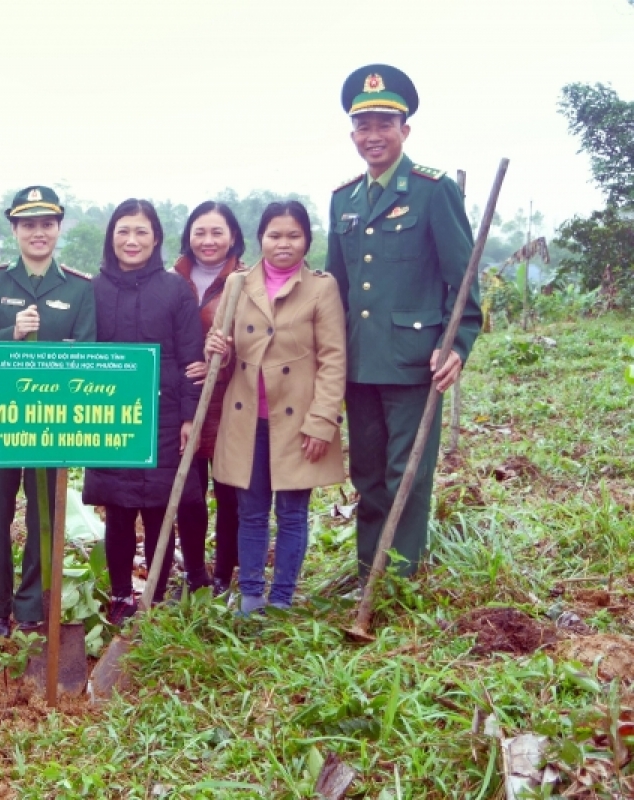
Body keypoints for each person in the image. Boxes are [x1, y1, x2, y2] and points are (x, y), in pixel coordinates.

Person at [325, 64, 481, 580]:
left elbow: (463, 282)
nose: (374, 136)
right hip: (359, 362)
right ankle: (369, 566)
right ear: (353, 136)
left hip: (416, 362)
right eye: (364, 127)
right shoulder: (342, 199)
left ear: (405, 130)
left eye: (384, 124)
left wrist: (456, 345)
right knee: (367, 473)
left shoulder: (433, 191)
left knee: (406, 475)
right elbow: (337, 288)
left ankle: (399, 575)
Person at [205, 202, 347, 613]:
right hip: (245, 418)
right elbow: (221, 350)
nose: (283, 244)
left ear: (306, 240)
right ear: (260, 238)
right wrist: (216, 347)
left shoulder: (321, 288)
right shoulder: (237, 284)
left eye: (293, 236)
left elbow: (333, 359)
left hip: (298, 420)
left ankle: (282, 596)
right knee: (250, 512)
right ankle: (251, 595)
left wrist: (322, 422)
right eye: (274, 235)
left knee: (291, 512)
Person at [0, 186, 97, 637]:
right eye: (28, 225)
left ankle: (32, 606)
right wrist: (12, 333)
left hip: (51, 422)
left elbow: (87, 351)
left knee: (44, 515)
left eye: (47, 224)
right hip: (0, 418)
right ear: (15, 230)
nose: (38, 233)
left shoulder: (80, 288)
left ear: (59, 228)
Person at [82, 199, 204, 625]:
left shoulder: (175, 290)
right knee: (118, 511)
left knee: (158, 511)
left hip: (163, 417)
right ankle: (119, 595)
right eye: (123, 231)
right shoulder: (92, 290)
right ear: (111, 237)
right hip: (111, 420)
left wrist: (189, 416)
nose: (131, 241)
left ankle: (153, 592)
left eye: (141, 232)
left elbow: (192, 359)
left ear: (156, 238)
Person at [171, 201, 246, 596]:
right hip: (187, 401)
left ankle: (225, 573)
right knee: (189, 493)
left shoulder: (247, 282)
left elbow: (262, 339)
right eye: (200, 232)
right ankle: (195, 571)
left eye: (217, 232)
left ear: (233, 236)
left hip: (232, 400)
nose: (208, 241)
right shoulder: (173, 279)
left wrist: (227, 355)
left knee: (230, 492)